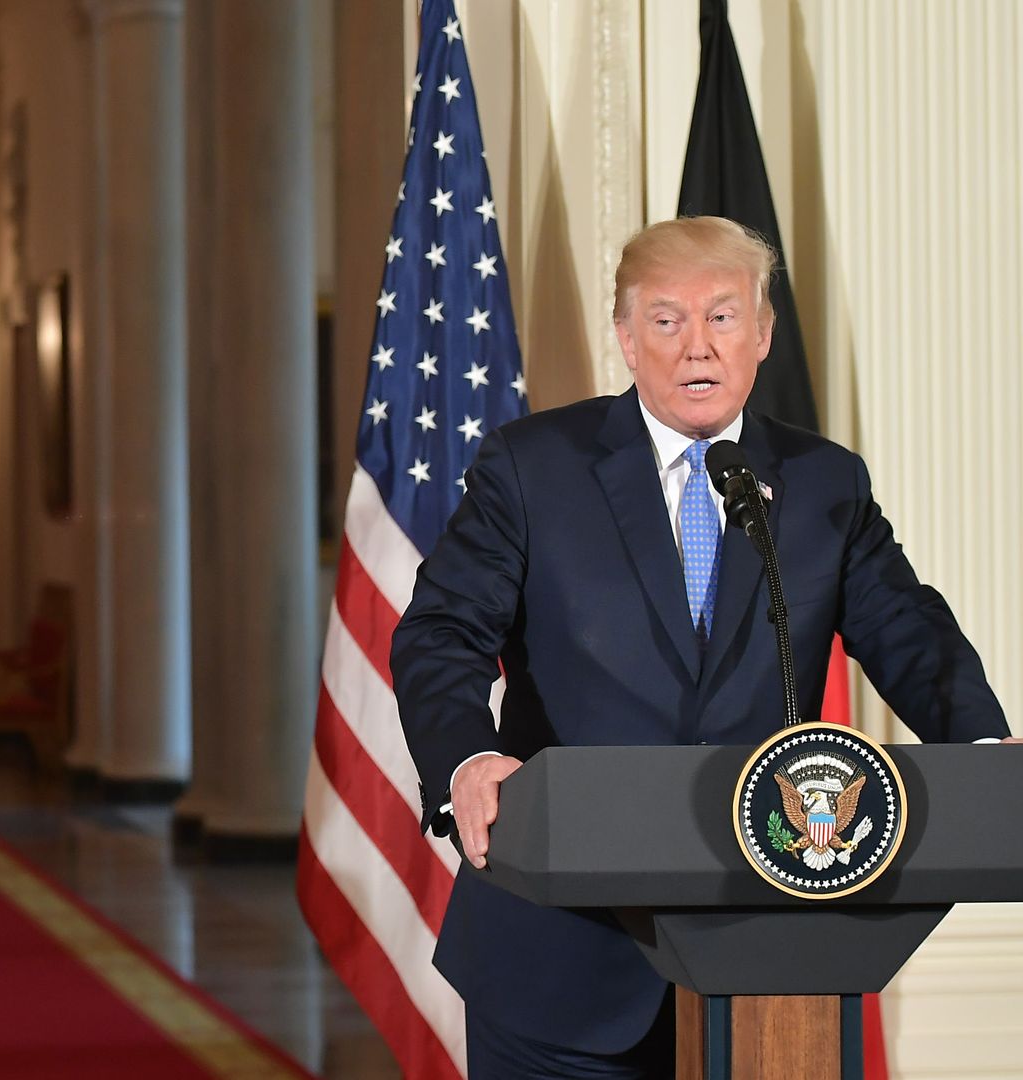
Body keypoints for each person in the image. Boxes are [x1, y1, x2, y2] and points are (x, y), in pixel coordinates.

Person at [390, 216, 1012, 1078]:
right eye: (666, 320)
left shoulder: (825, 482)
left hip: (766, 956)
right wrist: (467, 759)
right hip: (560, 958)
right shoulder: (532, 467)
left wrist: (982, 750)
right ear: (626, 339)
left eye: (723, 317)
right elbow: (442, 632)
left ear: (762, 334)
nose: (698, 347)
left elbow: (908, 627)